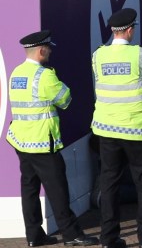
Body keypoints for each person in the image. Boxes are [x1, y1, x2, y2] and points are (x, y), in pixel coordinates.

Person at [7, 30, 97, 248]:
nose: (50, 52)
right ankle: (71, 234)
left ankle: (33, 236)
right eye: (48, 48)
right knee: (58, 190)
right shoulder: (45, 76)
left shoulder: (16, 73)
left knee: (29, 189)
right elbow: (65, 99)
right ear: (41, 50)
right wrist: (53, 74)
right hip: (42, 143)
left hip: (21, 141)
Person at [91, 8, 142, 248]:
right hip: (135, 129)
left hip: (106, 129)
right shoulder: (141, 56)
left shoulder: (98, 55)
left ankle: (108, 238)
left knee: (109, 183)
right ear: (130, 29)